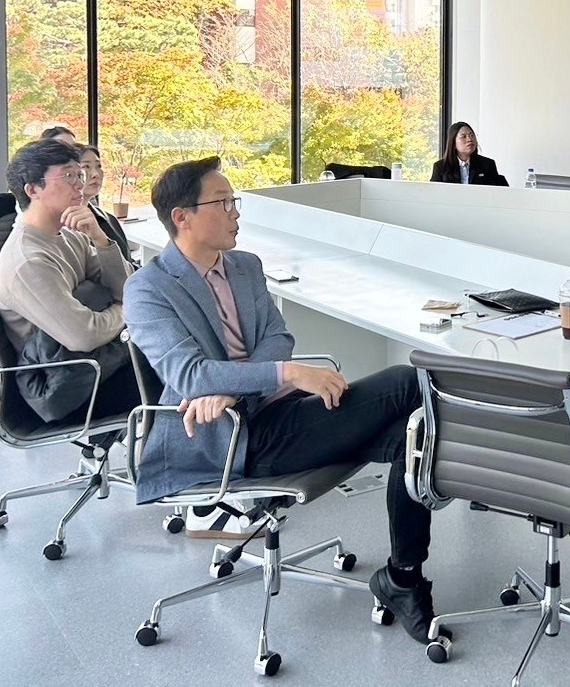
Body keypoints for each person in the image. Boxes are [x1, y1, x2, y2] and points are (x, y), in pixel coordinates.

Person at [124, 157, 442, 644]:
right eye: (223, 202)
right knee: (406, 381)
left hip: (277, 411)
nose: (236, 212)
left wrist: (233, 385)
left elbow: (278, 338)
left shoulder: (245, 266)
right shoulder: (148, 288)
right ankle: (484, 473)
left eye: (234, 201)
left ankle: (404, 577)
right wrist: (287, 374)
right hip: (230, 437)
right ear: (182, 217)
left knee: (409, 437)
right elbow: (188, 374)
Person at [0, 139, 137, 421]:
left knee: (181, 357)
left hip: (93, 365)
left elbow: (126, 289)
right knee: (176, 374)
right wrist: (126, 311)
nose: (80, 185)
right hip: (63, 387)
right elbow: (84, 336)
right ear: (33, 190)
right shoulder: (28, 260)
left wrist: (101, 240)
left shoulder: (70, 235)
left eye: (79, 174)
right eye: (68, 176)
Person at [79, 144, 137, 267]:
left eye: (99, 166)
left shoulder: (108, 219)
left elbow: (128, 263)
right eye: (86, 167)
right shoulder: (61, 226)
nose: (95, 174)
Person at [428, 121, 507, 185]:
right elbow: (434, 194)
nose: (469, 139)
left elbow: (495, 193)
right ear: (453, 143)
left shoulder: (487, 164)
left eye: (472, 135)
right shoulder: (440, 167)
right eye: (463, 136)